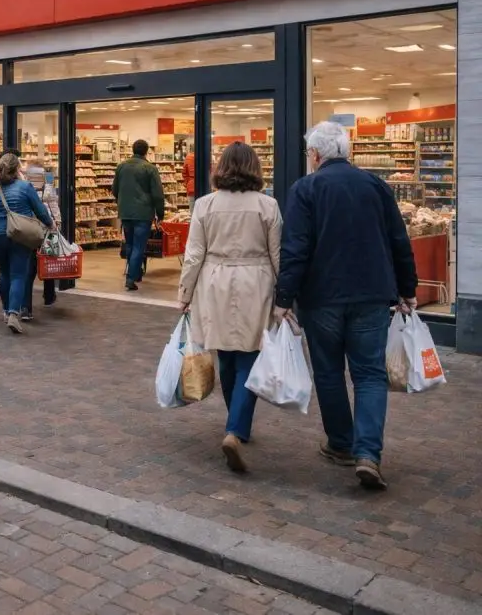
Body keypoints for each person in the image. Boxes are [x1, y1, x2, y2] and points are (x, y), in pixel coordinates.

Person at [275, 121, 417, 491]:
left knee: (329, 372)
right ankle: (368, 453)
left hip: (321, 297)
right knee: (370, 374)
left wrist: (283, 298)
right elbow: (399, 240)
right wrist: (408, 288)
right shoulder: (375, 186)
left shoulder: (305, 189)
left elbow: (295, 249)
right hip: (371, 295)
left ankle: (341, 443)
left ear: (316, 154)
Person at [178, 142, 282, 473]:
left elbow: (194, 253)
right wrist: (286, 297)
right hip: (256, 282)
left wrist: (184, 293)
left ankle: (235, 423)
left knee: (225, 354)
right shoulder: (268, 206)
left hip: (215, 281)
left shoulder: (205, 205)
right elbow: (278, 253)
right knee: (250, 356)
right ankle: (236, 429)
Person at [0, 153, 54, 334]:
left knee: (4, 274)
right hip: (19, 234)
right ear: (17, 169)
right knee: (18, 275)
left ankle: (7, 311)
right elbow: (40, 210)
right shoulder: (25, 187)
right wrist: (50, 224)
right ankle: (15, 313)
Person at [113, 139, 165, 291]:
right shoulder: (150, 168)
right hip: (143, 213)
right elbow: (158, 194)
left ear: (132, 150)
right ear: (146, 151)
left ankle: (135, 274)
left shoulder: (121, 167)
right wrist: (160, 213)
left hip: (126, 212)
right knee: (138, 246)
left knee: (129, 244)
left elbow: (115, 189)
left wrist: (122, 203)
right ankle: (131, 278)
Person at [23, 158, 61, 320]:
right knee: (49, 261)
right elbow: (53, 204)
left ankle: (26, 307)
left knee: (28, 268)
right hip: (47, 228)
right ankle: (49, 295)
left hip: (29, 230)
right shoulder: (49, 183)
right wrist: (58, 222)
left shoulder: (24, 186)